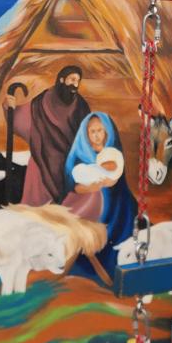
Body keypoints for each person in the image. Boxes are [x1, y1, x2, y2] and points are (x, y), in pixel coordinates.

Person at [63, 112, 136, 279]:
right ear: (86, 133)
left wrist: (107, 183)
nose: (96, 135)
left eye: (100, 131)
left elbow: (117, 181)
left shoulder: (113, 155)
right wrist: (91, 188)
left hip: (115, 206)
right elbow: (72, 185)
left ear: (107, 132)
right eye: (92, 131)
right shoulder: (79, 154)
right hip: (87, 203)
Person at [7, 65, 89, 207]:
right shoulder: (43, 100)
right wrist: (10, 108)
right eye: (72, 79)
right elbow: (25, 116)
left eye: (77, 81)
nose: (75, 84)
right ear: (62, 79)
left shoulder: (81, 105)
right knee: (37, 204)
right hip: (42, 155)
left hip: (70, 157)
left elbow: (86, 130)